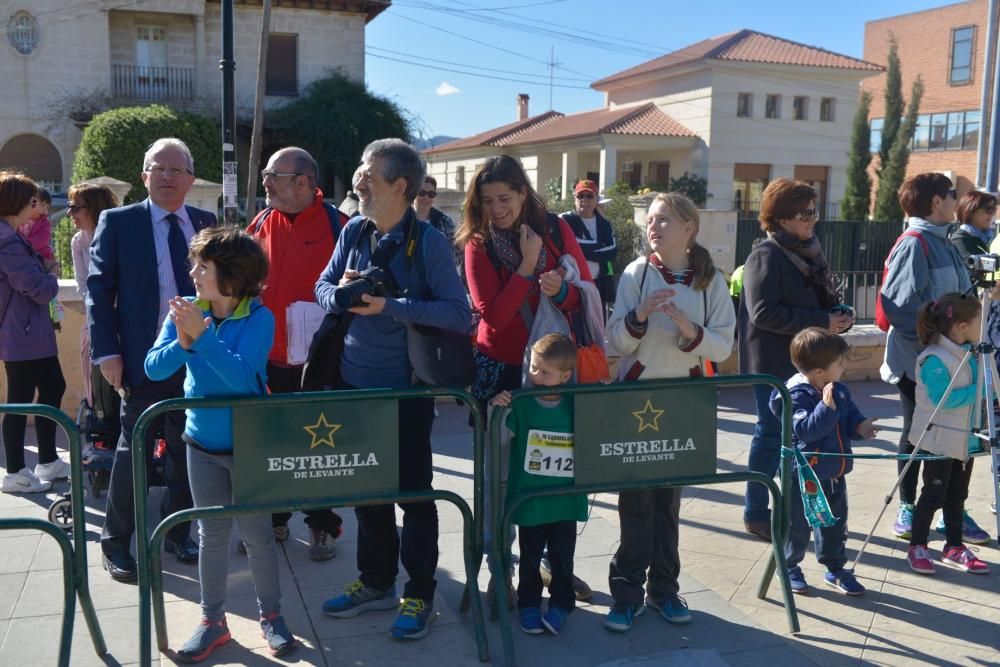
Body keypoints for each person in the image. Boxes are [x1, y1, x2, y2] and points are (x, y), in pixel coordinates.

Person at [316, 139, 470, 640]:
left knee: (413, 497)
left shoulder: (426, 243)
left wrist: (392, 306)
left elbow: (456, 313)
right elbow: (321, 287)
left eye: (368, 172)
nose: (358, 179)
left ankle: (420, 592)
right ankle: (376, 581)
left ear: (399, 186)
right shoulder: (354, 230)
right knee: (367, 495)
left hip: (405, 394)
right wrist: (340, 293)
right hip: (353, 387)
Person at [145, 226, 296, 661]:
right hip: (200, 445)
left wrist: (203, 339)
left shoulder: (259, 318)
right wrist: (185, 341)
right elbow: (154, 368)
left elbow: (244, 380)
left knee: (257, 535)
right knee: (211, 534)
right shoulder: (187, 311)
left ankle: (271, 616)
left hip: (250, 447)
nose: (192, 272)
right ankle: (213, 622)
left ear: (231, 275)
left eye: (202, 266)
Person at [458, 155, 593, 605]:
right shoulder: (478, 244)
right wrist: (527, 267)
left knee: (551, 472)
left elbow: (586, 296)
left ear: (523, 193)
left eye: (504, 198)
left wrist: (562, 290)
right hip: (500, 377)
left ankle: (555, 565)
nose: (497, 209)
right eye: (487, 200)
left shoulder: (556, 229)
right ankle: (501, 572)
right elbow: (493, 318)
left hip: (552, 375)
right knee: (498, 482)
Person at [603, 192, 734, 632]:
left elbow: (723, 345)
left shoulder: (711, 281)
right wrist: (639, 314)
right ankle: (625, 593)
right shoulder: (636, 275)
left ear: (689, 229)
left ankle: (664, 590)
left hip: (683, 403)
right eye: (651, 220)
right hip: (638, 400)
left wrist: (687, 329)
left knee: (668, 504)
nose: (653, 227)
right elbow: (615, 342)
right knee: (635, 501)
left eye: (663, 220)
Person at [88, 137, 217, 582]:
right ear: (144, 175)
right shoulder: (118, 221)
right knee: (133, 449)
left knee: (187, 450)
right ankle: (116, 541)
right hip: (143, 359)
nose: (167, 176)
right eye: (157, 168)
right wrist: (108, 354)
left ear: (189, 178)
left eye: (176, 169)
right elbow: (99, 293)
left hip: (196, 359)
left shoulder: (205, 221)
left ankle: (178, 531)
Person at [738, 178, 852, 543]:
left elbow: (814, 302)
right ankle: (756, 512)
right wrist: (820, 321)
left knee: (802, 437)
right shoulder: (765, 255)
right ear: (782, 218)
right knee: (771, 435)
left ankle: (798, 509)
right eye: (805, 213)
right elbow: (763, 313)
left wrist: (836, 314)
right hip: (772, 366)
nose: (812, 219)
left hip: (805, 364)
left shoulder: (810, 252)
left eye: (814, 211)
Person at [247, 146, 347, 561]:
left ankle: (322, 524)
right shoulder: (261, 222)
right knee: (272, 442)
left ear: (304, 183)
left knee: (319, 447)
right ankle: (275, 517)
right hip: (267, 357)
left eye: (274, 175)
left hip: (319, 358)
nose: (266, 182)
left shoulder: (339, 225)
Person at [879, 173, 990, 545]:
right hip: (920, 363)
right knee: (919, 434)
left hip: (951, 357)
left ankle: (948, 510)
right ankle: (909, 506)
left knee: (953, 432)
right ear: (934, 201)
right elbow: (899, 308)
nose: (956, 198)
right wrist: (938, 341)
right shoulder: (915, 244)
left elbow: (952, 300)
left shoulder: (942, 241)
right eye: (950, 194)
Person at [490, 333, 586, 636]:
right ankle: (528, 603)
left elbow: (600, 431)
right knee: (530, 557)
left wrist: (604, 399)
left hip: (565, 499)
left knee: (562, 557)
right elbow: (497, 439)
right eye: (533, 368)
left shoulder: (576, 403)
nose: (535, 375)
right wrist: (498, 409)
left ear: (565, 375)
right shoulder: (520, 402)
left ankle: (561, 603)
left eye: (544, 371)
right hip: (529, 499)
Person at [772, 327, 877, 596]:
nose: (843, 369)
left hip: (833, 471)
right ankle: (790, 565)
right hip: (803, 476)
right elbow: (806, 430)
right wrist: (826, 407)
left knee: (834, 523)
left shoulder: (837, 389)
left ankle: (835, 568)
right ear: (819, 371)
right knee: (797, 525)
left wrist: (861, 427)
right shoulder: (795, 395)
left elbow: (849, 416)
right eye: (839, 365)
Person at [906, 293, 991, 576]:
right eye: (980, 322)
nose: (984, 327)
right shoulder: (934, 359)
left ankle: (954, 546)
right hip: (939, 440)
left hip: (964, 440)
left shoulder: (970, 353)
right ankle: (918, 545)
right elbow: (945, 399)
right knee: (932, 495)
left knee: (957, 496)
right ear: (962, 326)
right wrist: (981, 389)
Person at [0, 172, 68, 493]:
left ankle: (48, 460)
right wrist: (52, 276)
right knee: (20, 403)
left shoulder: (12, 236)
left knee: (54, 386)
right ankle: (15, 472)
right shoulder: (7, 241)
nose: (36, 205)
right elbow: (37, 288)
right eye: (31, 200)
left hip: (32, 334)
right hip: (22, 335)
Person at [68, 183, 120, 410]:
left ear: (95, 208)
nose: (70, 213)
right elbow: (83, 285)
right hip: (97, 316)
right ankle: (100, 423)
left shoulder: (118, 234)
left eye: (76, 207)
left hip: (125, 316)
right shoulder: (78, 241)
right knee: (93, 374)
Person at [560, 179, 617, 306]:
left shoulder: (604, 224)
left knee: (598, 324)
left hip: (598, 284)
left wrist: (581, 250)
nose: (584, 199)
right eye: (580, 196)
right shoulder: (565, 220)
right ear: (575, 199)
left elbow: (612, 252)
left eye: (589, 196)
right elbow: (570, 247)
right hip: (573, 284)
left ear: (596, 199)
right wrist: (599, 245)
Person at [413, 176, 460, 272]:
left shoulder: (445, 222)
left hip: (436, 278)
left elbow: (457, 256)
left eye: (431, 194)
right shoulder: (401, 220)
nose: (426, 198)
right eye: (422, 193)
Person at [950, 190, 996, 266]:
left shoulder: (986, 238)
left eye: (993, 210)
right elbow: (972, 266)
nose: (992, 215)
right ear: (971, 212)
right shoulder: (960, 239)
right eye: (989, 210)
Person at [18, 187, 55, 271]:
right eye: (43, 206)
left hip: (41, 255)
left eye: (47, 207)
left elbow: (43, 238)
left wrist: (25, 244)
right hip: (23, 255)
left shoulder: (44, 222)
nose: (45, 211)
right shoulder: (19, 219)